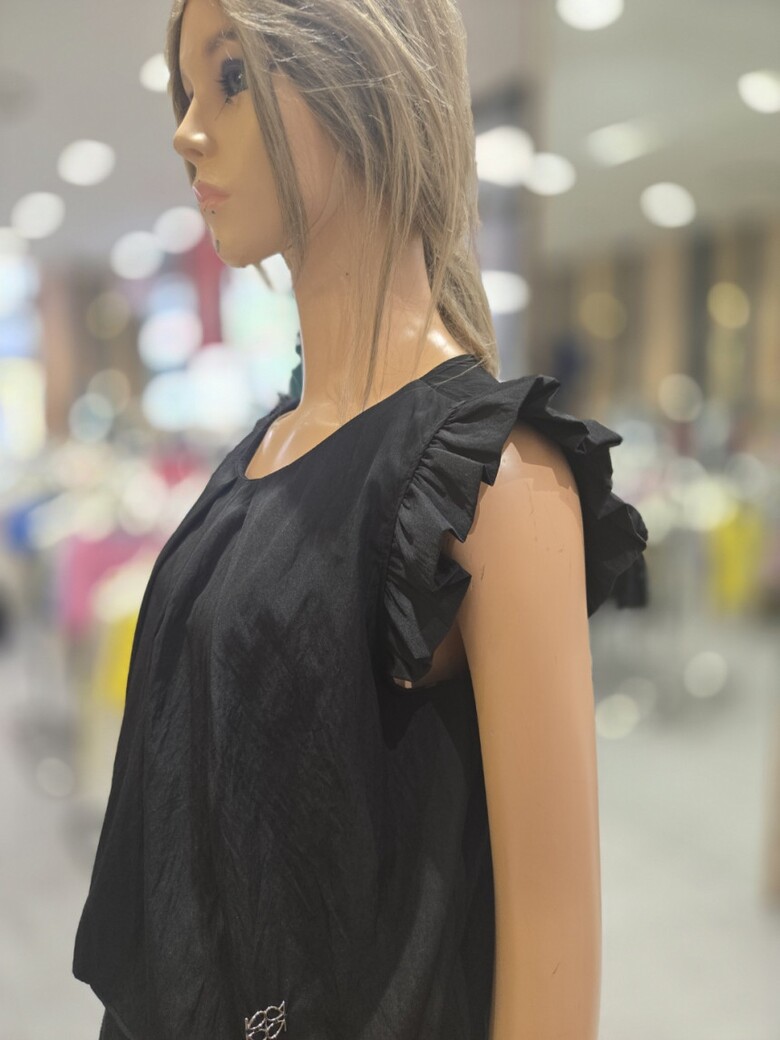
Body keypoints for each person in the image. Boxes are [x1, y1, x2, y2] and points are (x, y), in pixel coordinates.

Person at [73, 0, 649, 1038]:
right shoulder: (266, 447)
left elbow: (552, 938)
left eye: (233, 78)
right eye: (186, 91)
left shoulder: (494, 478)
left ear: (362, 77)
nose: (188, 130)